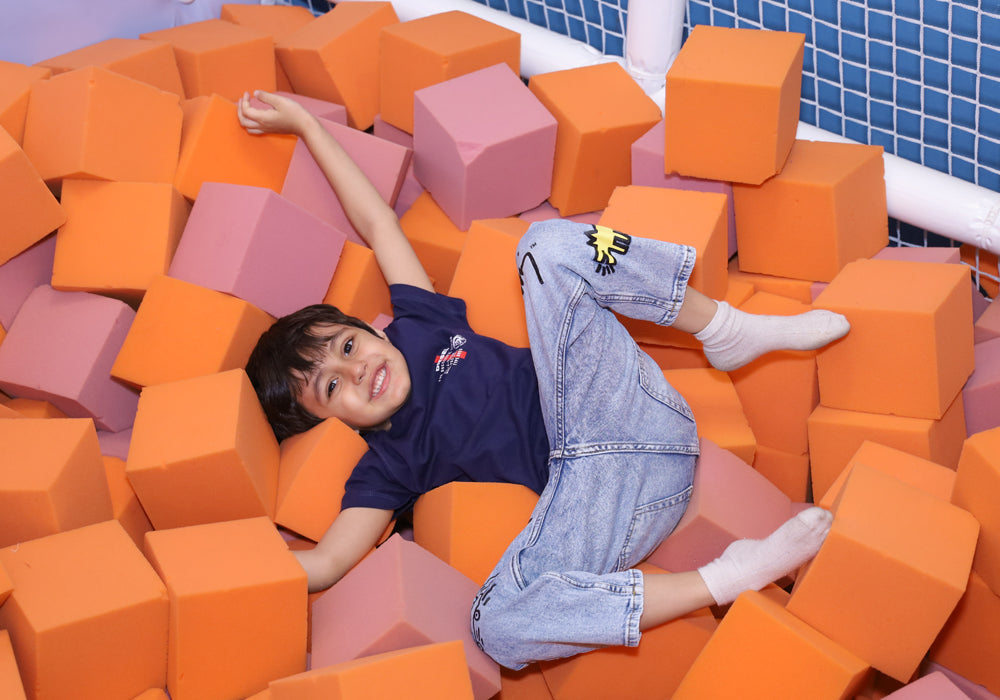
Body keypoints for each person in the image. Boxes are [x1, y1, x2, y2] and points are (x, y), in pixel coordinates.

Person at [237, 90, 848, 670]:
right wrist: (228, 567)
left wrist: (307, 126)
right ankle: (730, 577)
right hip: (602, 499)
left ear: (367, 331)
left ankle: (725, 329)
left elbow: (377, 223)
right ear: (328, 426)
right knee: (496, 624)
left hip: (615, 397)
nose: (358, 370)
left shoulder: (417, 324)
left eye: (348, 346)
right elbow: (326, 561)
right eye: (332, 388)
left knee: (545, 245)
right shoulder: (386, 466)